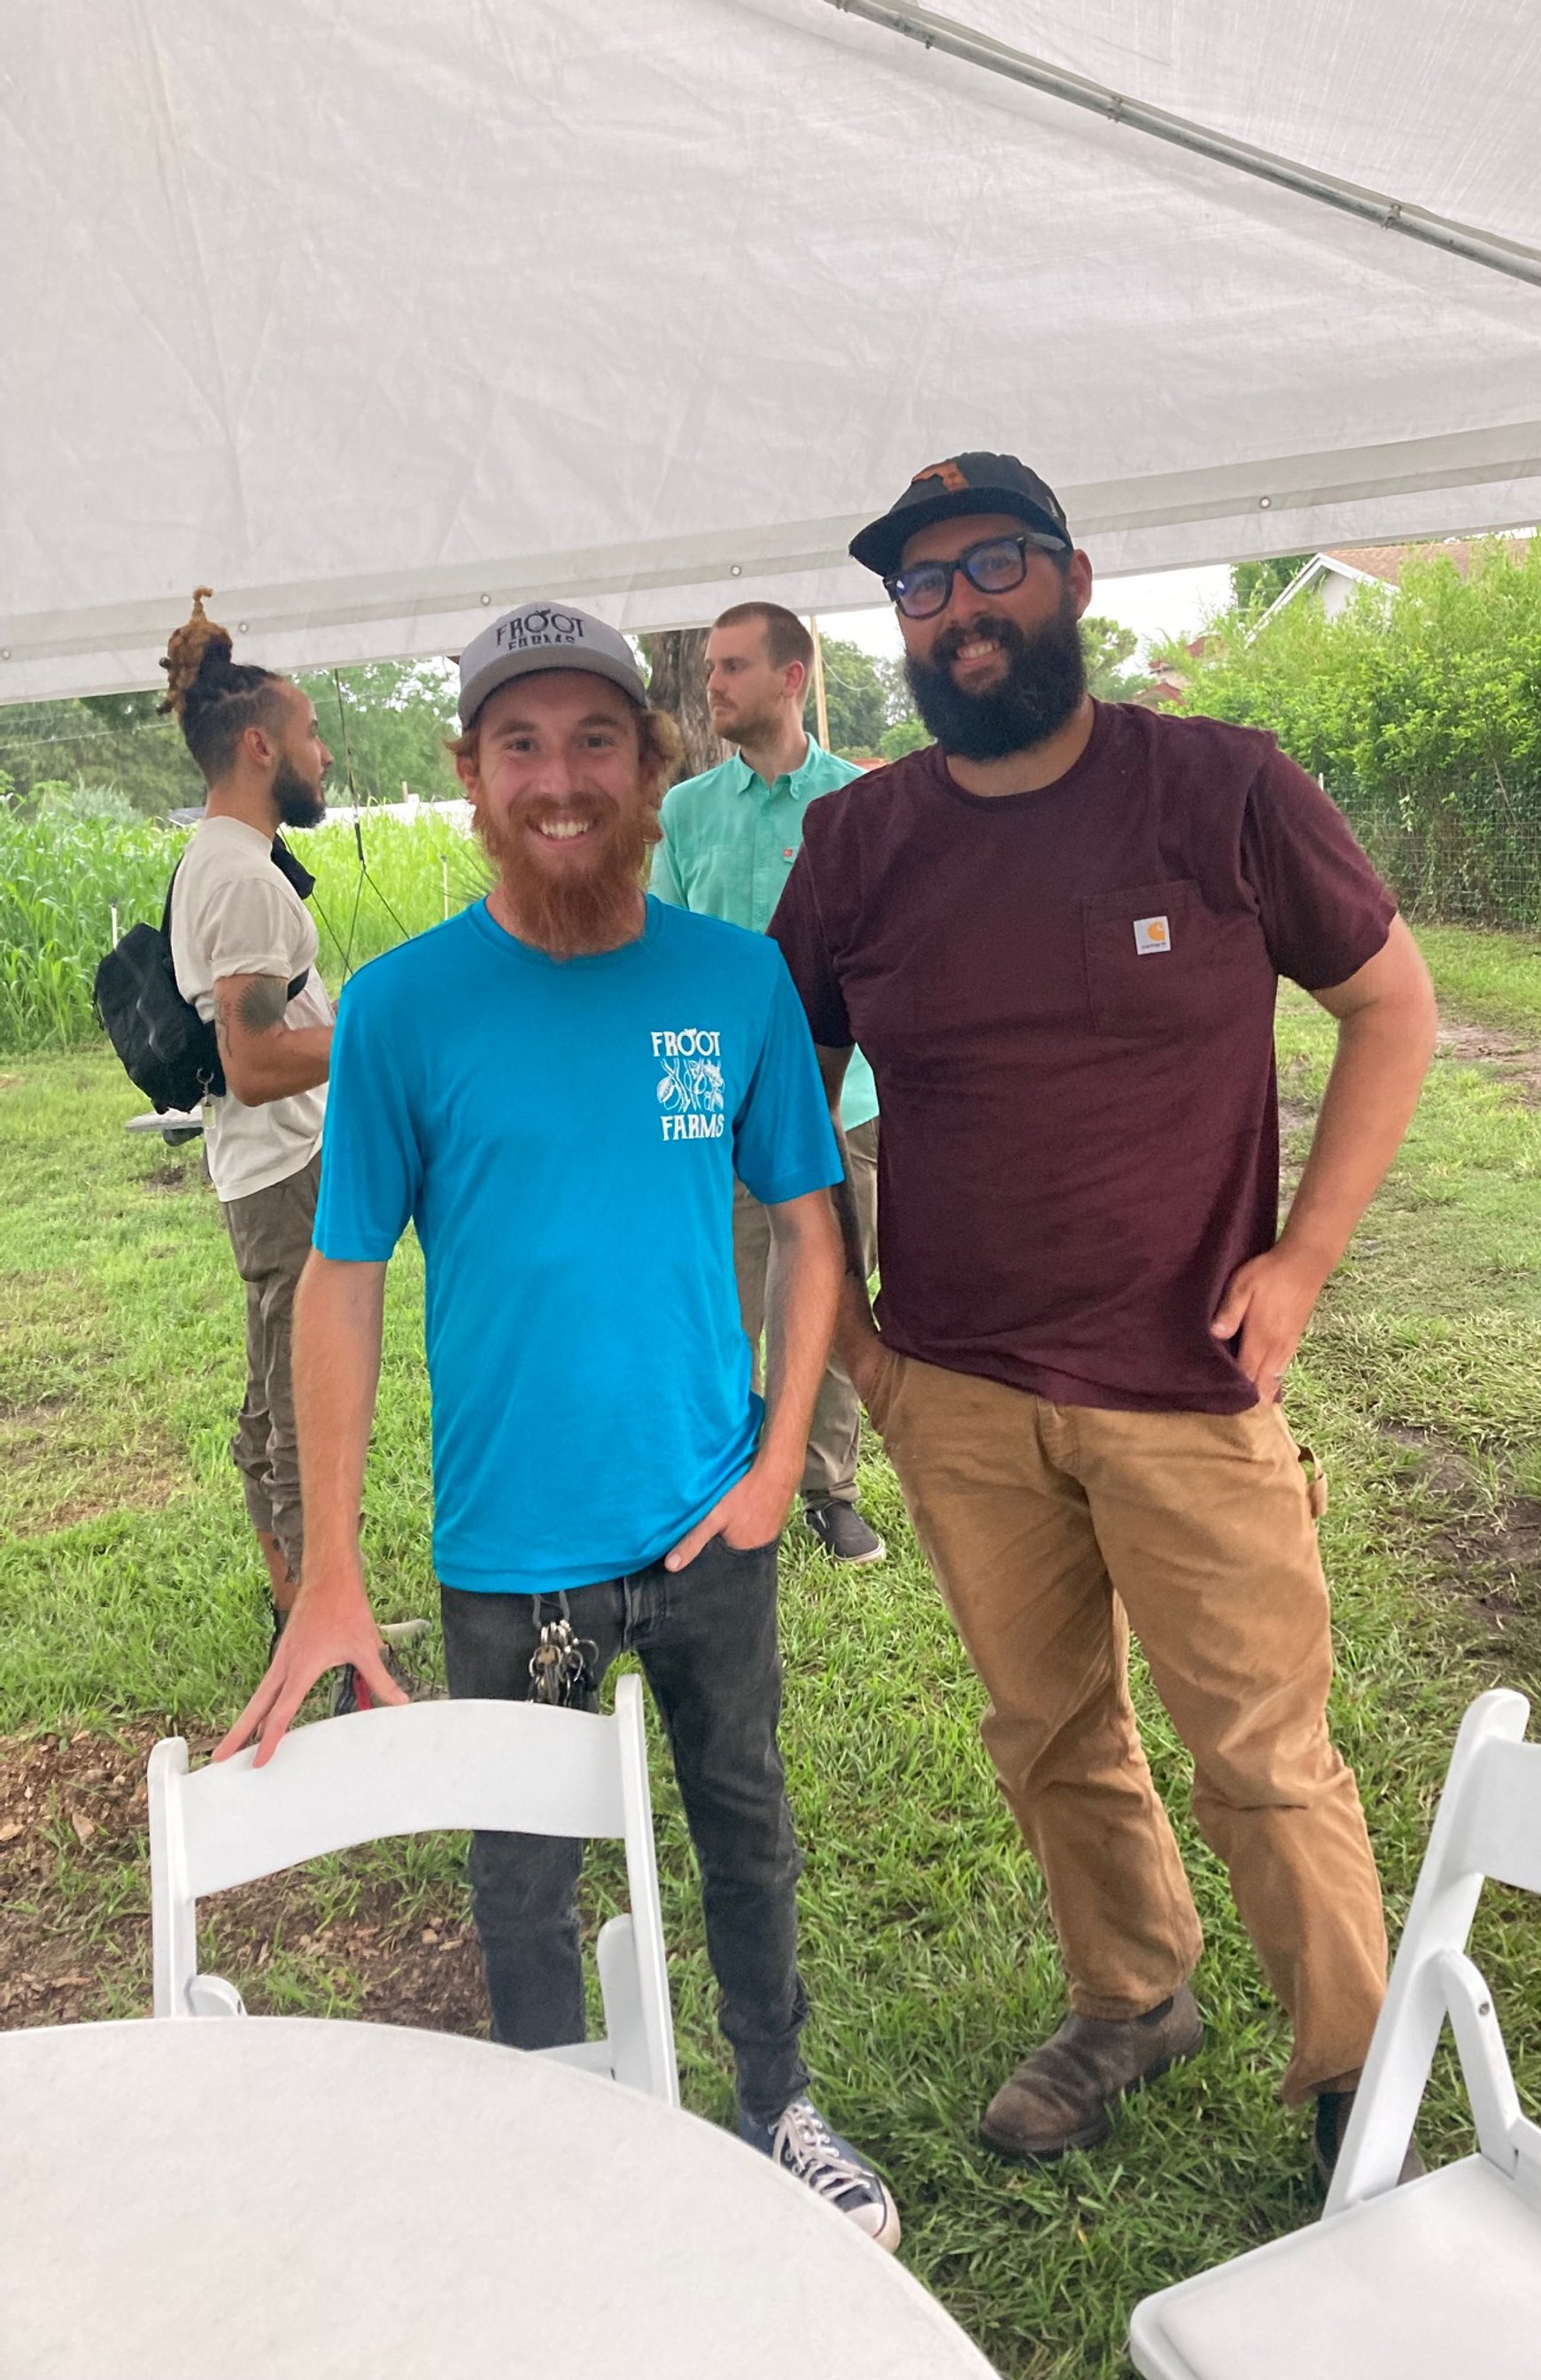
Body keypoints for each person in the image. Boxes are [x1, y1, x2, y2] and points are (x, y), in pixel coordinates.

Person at [769, 454, 1438, 2183]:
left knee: (1264, 1753)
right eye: (922, 589)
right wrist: (856, 1354)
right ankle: (1132, 1992)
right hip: (962, 1393)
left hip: (1187, 1382)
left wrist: (1296, 1267)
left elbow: (1391, 1004)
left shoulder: (1219, 792)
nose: (960, 609)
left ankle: (1353, 2082)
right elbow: (779, 1101)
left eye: (991, 566)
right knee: (1049, 1730)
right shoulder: (861, 842)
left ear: (1070, 578)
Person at [217, 599, 900, 2249]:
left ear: (651, 764)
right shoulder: (404, 1007)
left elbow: (812, 1231)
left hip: (706, 1523)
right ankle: (545, 2139)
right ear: (469, 773)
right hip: (507, 1550)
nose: (560, 775)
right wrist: (326, 1565)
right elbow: (344, 1277)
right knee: (521, 1869)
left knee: (745, 1818)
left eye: (596, 736)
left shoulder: (731, 984)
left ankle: (777, 2101)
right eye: (518, 742)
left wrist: (770, 1462)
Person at [652, 602, 884, 1566]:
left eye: (734, 667)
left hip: (840, 1101)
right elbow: (659, 955)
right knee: (715, 1297)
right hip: (712, 1101)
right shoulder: (685, 811)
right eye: (709, 668)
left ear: (793, 679)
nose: (712, 686)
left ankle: (831, 1486)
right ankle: (720, 1477)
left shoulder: (860, 807)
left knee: (829, 1290)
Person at [161, 591, 335, 1652]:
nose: (324, 755)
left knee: (284, 1389)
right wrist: (387, 1039)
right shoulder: (237, 877)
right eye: (312, 735)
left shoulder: (231, 862)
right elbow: (256, 1060)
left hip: (278, 1164)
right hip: (283, 1168)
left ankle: (299, 1597)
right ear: (262, 745)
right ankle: (316, 1616)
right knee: (296, 1404)